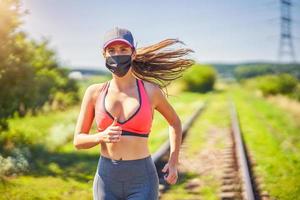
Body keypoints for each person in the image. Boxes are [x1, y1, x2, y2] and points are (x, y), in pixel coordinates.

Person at [73, 27, 195, 200]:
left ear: (133, 53)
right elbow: (78, 141)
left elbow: (175, 122)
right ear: (104, 55)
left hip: (142, 179)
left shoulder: (150, 91)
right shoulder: (94, 92)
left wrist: (173, 161)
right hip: (106, 180)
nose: (117, 54)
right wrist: (101, 136)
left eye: (123, 49)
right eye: (112, 50)